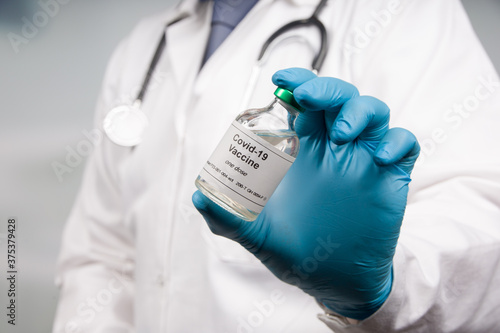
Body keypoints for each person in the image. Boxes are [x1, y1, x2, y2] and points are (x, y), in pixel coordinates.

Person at [53, 0, 500, 332]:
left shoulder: (402, 13)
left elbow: (482, 222)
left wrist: (381, 288)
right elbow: (100, 255)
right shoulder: (143, 46)